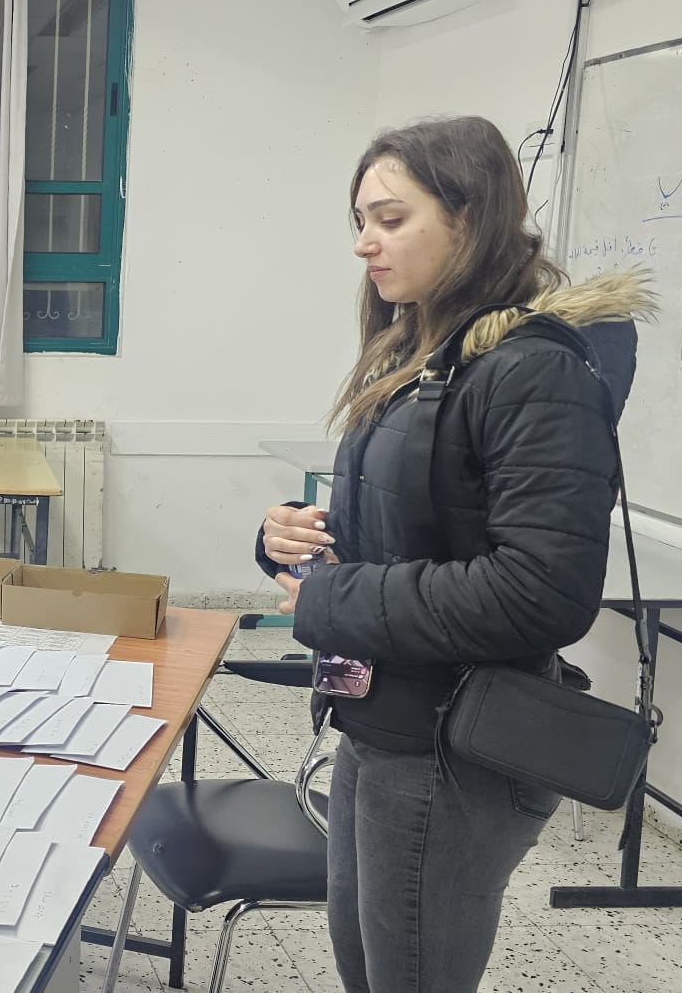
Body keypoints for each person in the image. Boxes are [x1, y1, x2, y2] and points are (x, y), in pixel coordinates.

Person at [257, 116, 652, 993]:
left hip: (449, 747)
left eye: (391, 219)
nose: (364, 243)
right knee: (366, 967)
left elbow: (540, 593)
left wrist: (333, 602)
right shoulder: (419, 354)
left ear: (470, 218)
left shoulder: (532, 371)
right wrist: (292, 540)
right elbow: (396, 531)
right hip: (378, 719)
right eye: (360, 220)